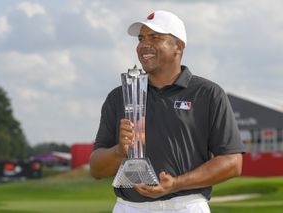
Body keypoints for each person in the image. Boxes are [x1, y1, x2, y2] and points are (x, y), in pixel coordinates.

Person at [90, 10, 246, 213]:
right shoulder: (119, 96)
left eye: (155, 37)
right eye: (141, 38)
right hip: (130, 208)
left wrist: (176, 183)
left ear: (178, 46)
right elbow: (96, 169)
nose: (144, 44)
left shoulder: (207, 93)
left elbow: (232, 163)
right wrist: (119, 151)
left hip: (186, 206)